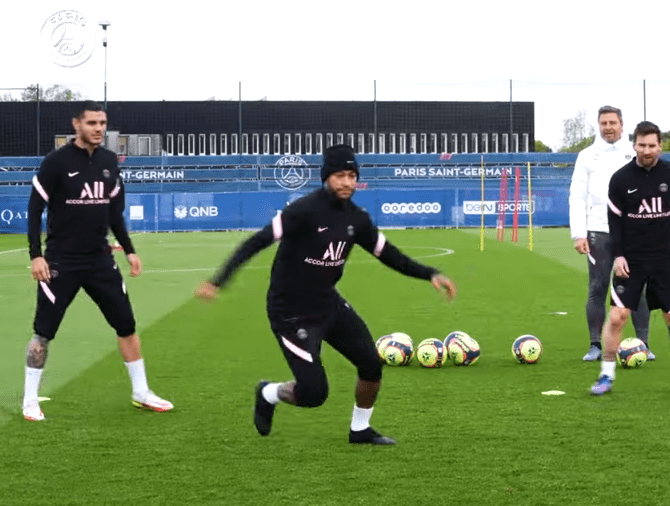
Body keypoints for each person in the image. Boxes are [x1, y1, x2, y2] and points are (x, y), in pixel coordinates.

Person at [194, 144, 457, 445]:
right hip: (290, 312)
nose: (346, 182)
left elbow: (390, 255)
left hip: (327, 303)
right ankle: (268, 393)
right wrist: (218, 281)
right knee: (313, 394)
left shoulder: (357, 218)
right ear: (326, 177)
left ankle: (360, 429)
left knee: (371, 365)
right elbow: (257, 241)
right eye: (339, 175)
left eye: (351, 175)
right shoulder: (303, 211)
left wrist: (430, 274)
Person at [23, 100, 173, 421]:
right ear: (77, 124)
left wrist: (129, 249)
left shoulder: (109, 161)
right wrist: (36, 255)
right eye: (92, 123)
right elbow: (35, 209)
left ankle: (141, 392)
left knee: (127, 325)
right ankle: (29, 400)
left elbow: (114, 213)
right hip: (60, 262)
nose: (99, 129)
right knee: (44, 332)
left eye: (102, 123)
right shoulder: (55, 162)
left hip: (100, 261)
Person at [590, 121, 670, 396]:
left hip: (665, 259)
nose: (647, 150)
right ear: (634, 145)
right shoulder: (621, 179)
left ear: (660, 146)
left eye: (652, 145)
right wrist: (618, 256)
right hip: (632, 259)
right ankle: (605, 376)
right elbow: (614, 222)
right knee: (617, 317)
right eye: (642, 145)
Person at [569, 106, 652, 362]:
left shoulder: (635, 153)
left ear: (621, 124)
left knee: (637, 289)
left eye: (612, 122)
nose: (608, 127)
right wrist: (578, 234)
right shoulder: (587, 156)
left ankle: (642, 344)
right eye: (603, 123)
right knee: (597, 287)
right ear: (599, 125)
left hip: (633, 232)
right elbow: (577, 196)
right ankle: (595, 344)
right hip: (598, 231)